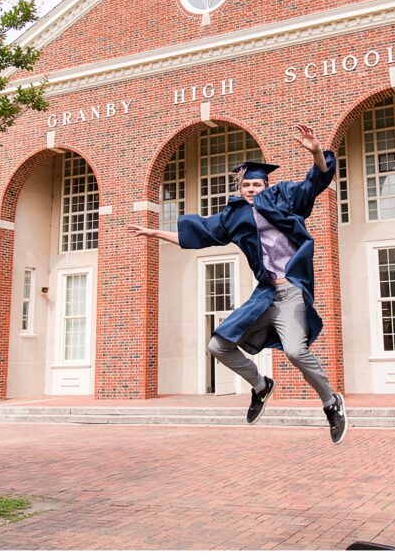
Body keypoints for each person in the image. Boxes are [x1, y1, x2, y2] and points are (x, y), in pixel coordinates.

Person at [128, 124, 347, 443]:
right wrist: (154, 233)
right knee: (217, 345)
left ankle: (331, 404)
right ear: (240, 187)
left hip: (292, 293)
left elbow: (315, 181)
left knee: (296, 352)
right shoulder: (235, 217)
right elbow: (199, 233)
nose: (253, 189)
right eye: (247, 185)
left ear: (265, 184)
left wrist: (315, 151)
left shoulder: (283, 197)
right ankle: (261, 385)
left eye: (257, 183)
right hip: (266, 294)